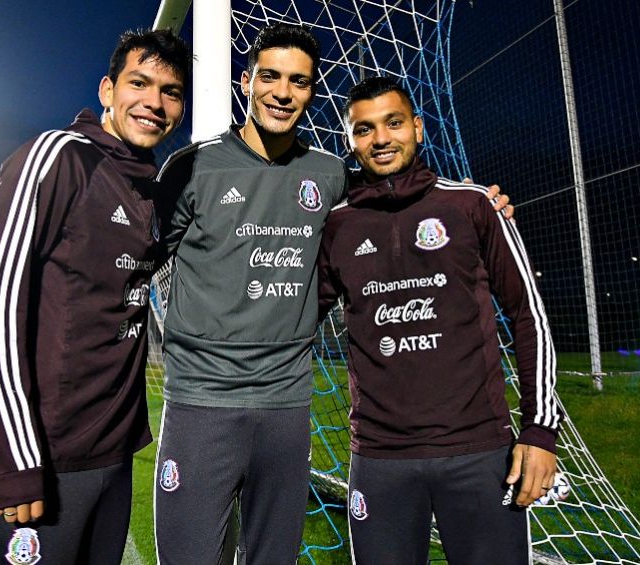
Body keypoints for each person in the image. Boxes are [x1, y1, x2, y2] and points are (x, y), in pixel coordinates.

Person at [152, 24, 512, 563]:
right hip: (203, 402)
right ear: (246, 81)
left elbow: (396, 203)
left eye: (298, 81)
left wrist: (480, 208)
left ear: (312, 93)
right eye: (270, 77)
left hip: (287, 406)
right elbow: (135, 262)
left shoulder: (331, 176)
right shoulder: (191, 168)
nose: (282, 92)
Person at [0, 28, 190, 565]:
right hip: (42, 458)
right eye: (139, 83)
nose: (154, 102)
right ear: (107, 90)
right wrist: (15, 460)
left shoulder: (149, 190)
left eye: (171, 91)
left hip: (112, 459)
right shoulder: (59, 157)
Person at [316, 76, 560, 564]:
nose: (381, 139)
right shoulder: (336, 225)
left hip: (478, 451)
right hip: (379, 460)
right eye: (364, 129)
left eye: (394, 123)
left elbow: (528, 314)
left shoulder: (471, 204)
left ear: (419, 128)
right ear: (349, 140)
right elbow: (292, 321)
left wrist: (539, 431)